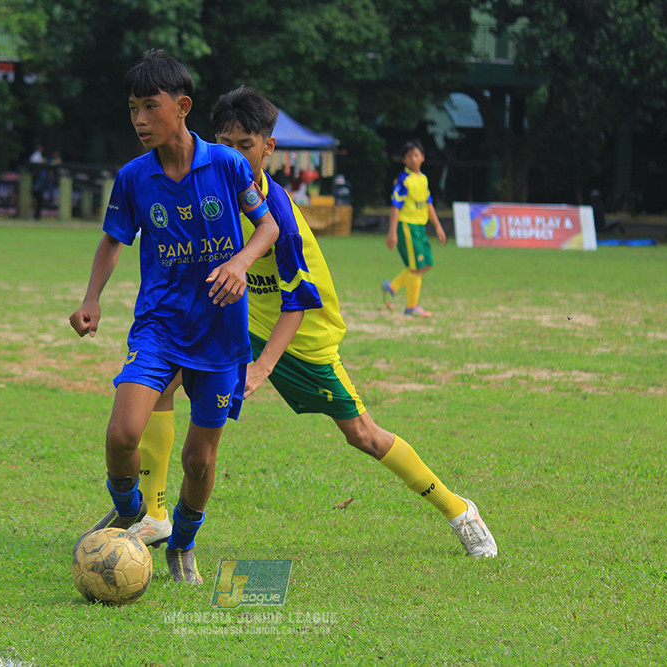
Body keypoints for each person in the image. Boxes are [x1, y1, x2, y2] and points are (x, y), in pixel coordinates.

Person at [128, 87, 498, 562]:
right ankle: (156, 513)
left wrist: (262, 368)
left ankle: (460, 510)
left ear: (268, 148)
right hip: (240, 324)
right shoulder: (209, 189)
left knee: (363, 434)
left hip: (302, 337)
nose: (234, 154)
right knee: (161, 382)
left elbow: (298, 303)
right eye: (225, 143)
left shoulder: (278, 213)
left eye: (246, 144)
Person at [68, 52, 280, 585]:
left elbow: (269, 227)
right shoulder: (134, 178)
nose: (139, 119)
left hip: (221, 335)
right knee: (122, 433)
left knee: (199, 460)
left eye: (149, 107)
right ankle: (130, 507)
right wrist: (92, 298)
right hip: (159, 328)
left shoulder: (228, 165)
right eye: (133, 109)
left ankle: (182, 544)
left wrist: (239, 261)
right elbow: (113, 241)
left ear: (181, 107)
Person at [381, 140, 447, 317]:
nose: (413, 159)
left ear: (423, 158)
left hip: (420, 228)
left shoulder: (423, 179)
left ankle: (392, 286)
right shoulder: (404, 181)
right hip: (407, 227)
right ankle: (411, 307)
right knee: (416, 267)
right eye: (409, 156)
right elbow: (395, 207)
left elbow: (429, 204)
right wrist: (392, 232)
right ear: (404, 160)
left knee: (427, 264)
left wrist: (438, 228)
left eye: (416, 155)